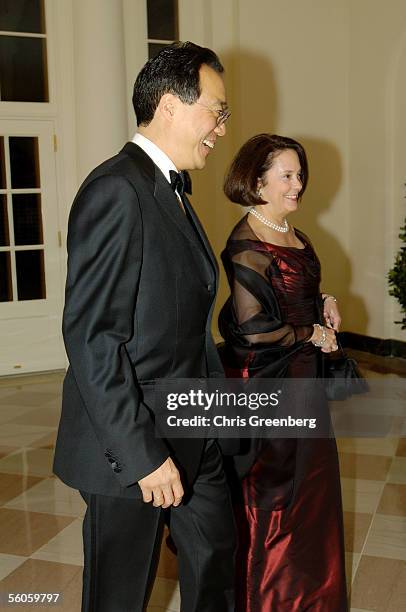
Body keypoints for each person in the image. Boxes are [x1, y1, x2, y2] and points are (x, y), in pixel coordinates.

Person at [53, 42, 236, 612]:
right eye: (217, 110)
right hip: (133, 447)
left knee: (215, 560)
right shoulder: (117, 189)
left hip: (193, 427)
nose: (222, 129)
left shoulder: (173, 190)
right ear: (168, 105)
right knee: (120, 596)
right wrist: (142, 455)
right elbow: (92, 337)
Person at [218, 134, 348, 611]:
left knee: (312, 491)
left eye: (299, 175)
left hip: (305, 380)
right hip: (270, 385)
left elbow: (302, 290)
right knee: (274, 496)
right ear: (258, 181)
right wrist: (312, 334)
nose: (298, 185)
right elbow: (252, 332)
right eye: (287, 175)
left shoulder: (297, 233)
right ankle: (268, 599)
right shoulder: (246, 242)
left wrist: (325, 301)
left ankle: (311, 595)